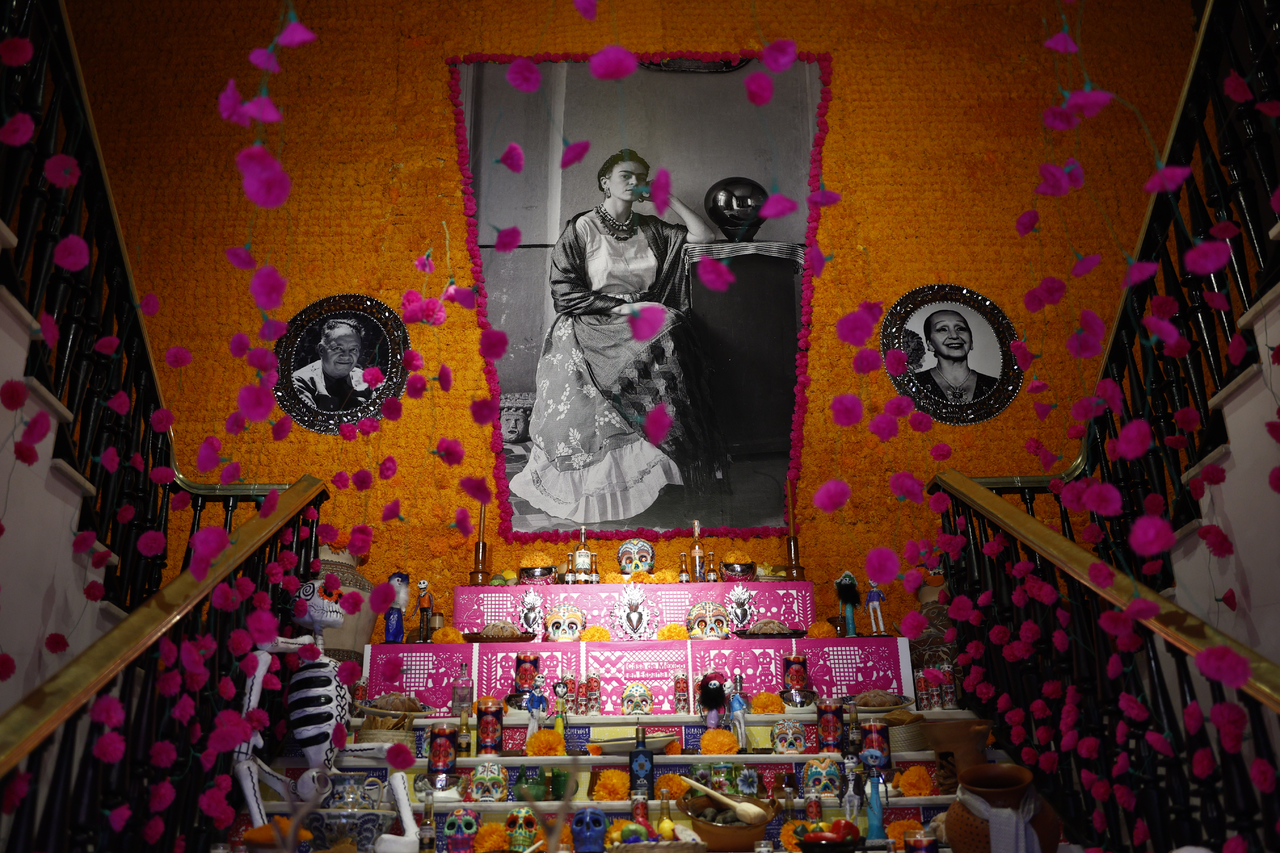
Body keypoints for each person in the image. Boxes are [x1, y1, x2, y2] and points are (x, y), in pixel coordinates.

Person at [510, 149, 727, 524]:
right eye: (626, 174)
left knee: (672, 328)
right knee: (665, 326)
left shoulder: (652, 228)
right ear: (605, 182)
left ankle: (666, 465)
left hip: (644, 316)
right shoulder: (582, 228)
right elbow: (564, 291)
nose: (634, 181)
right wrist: (622, 308)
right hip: (592, 318)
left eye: (641, 176)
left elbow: (704, 236)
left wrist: (668, 198)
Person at [913, 308, 998, 403]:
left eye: (960, 328)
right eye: (943, 329)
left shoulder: (995, 386)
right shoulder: (913, 384)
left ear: (971, 342)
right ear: (930, 345)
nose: (954, 336)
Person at [292, 319, 375, 411]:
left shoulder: (367, 382)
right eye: (338, 348)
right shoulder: (301, 382)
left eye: (353, 349)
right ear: (321, 350)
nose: (346, 356)